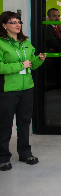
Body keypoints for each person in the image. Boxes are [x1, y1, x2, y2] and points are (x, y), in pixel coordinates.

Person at [0, 11, 46, 171]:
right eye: (13, 22)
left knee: (24, 122)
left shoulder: (26, 42)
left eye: (19, 22)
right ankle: (3, 157)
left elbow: (31, 64)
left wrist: (38, 60)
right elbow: (0, 67)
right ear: (4, 25)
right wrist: (21, 65)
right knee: (5, 124)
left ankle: (25, 152)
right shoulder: (1, 43)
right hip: (7, 90)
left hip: (27, 88)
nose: (18, 25)